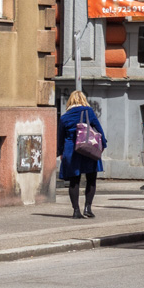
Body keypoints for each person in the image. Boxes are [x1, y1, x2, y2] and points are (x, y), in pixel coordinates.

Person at [57, 91, 105, 220]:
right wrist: (103, 145)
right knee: (91, 179)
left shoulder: (65, 117)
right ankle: (88, 208)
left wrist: (60, 152)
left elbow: (60, 137)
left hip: (71, 151)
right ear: (84, 99)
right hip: (89, 147)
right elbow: (99, 129)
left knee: (74, 181)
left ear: (70, 101)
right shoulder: (88, 111)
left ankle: (76, 211)